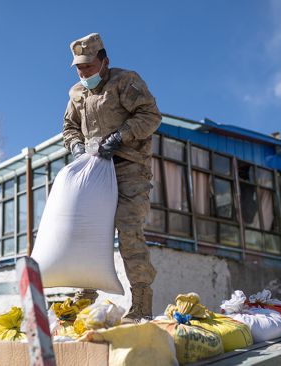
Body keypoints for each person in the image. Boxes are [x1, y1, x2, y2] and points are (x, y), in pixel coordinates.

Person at [62, 33, 161, 318]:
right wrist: (76, 145)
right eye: (79, 68)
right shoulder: (77, 94)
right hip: (94, 170)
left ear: (104, 62)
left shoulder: (125, 81)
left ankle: (141, 300)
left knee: (128, 226)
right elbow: (69, 128)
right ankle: (85, 292)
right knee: (86, 228)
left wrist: (121, 136)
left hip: (129, 167)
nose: (84, 73)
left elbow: (150, 115)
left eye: (89, 67)